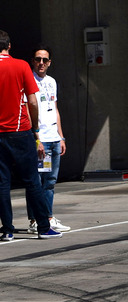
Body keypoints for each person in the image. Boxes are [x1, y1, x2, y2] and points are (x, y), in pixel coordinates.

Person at [0, 30, 61, 241]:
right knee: (33, 180)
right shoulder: (20, 66)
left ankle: (7, 229)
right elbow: (33, 101)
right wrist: (35, 129)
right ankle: (44, 227)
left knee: (2, 183)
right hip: (19, 130)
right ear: (9, 46)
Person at [26, 45, 70, 233]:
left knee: (50, 181)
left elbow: (55, 109)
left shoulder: (52, 82)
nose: (41, 63)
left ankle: (48, 216)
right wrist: (37, 139)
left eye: (44, 60)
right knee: (38, 180)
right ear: (33, 61)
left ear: (49, 62)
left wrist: (61, 137)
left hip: (53, 138)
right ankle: (36, 220)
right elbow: (28, 111)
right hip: (40, 139)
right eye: (38, 59)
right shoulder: (29, 81)